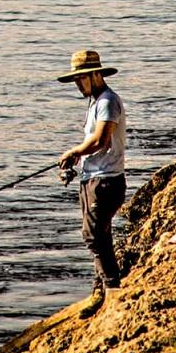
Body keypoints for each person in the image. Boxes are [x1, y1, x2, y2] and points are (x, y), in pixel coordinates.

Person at [55, 49, 128, 316]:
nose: (78, 84)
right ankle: (102, 286)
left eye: (81, 78)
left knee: (94, 235)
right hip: (92, 179)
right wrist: (78, 160)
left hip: (106, 181)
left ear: (96, 75)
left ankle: (111, 291)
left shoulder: (108, 101)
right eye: (76, 79)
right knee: (98, 235)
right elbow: (94, 145)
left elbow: (101, 140)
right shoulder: (96, 101)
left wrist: (74, 152)